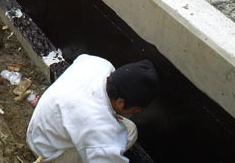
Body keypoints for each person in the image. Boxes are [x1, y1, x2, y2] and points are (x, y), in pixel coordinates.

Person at [26, 54, 159, 162]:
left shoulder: (100, 64)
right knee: (129, 133)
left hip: (40, 131)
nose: (137, 112)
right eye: (135, 109)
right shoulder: (96, 124)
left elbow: (80, 59)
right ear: (120, 101)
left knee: (128, 129)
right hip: (47, 152)